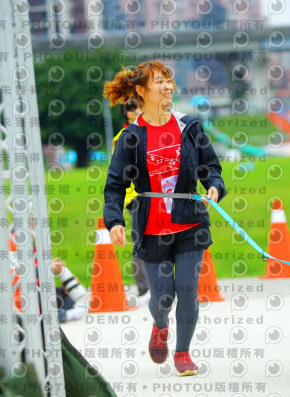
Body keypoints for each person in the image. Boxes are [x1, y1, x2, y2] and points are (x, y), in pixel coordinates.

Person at [102, 61, 225, 376]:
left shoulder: (189, 127)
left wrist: (214, 185)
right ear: (142, 91)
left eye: (168, 80)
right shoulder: (131, 136)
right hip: (151, 228)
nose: (167, 86)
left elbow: (210, 167)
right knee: (163, 296)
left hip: (190, 223)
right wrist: (115, 221)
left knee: (187, 290)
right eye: (159, 81)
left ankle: (183, 353)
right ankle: (159, 325)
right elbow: (115, 185)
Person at [112, 97, 150, 305]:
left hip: (156, 194)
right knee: (141, 241)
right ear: (126, 113)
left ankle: (162, 284)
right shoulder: (123, 137)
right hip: (137, 196)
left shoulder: (149, 131)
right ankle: (145, 288)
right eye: (133, 109)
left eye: (140, 107)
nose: (138, 111)